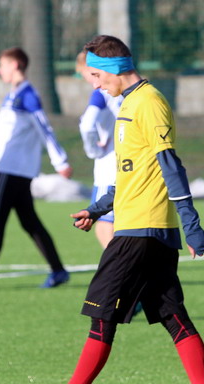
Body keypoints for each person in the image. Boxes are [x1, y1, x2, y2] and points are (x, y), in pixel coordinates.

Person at [10, 35, 204, 384]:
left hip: (140, 232)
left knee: (101, 319)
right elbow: (132, 174)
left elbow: (170, 165)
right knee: (175, 319)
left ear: (111, 69)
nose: (93, 83)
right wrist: (98, 208)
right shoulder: (128, 104)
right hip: (141, 228)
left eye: (95, 75)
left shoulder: (149, 102)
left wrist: (191, 223)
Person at [0, 47, 72, 289]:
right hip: (16, 171)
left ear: (15, 65)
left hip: (11, 170)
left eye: (3, 65)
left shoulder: (28, 96)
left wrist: (60, 160)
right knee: (29, 221)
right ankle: (58, 271)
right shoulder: (12, 96)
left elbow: (44, 128)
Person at [75, 51, 123, 249]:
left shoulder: (101, 94)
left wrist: (92, 150)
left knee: (104, 227)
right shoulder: (124, 92)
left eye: (84, 74)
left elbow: (87, 125)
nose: (88, 80)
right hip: (127, 165)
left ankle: (119, 267)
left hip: (108, 168)